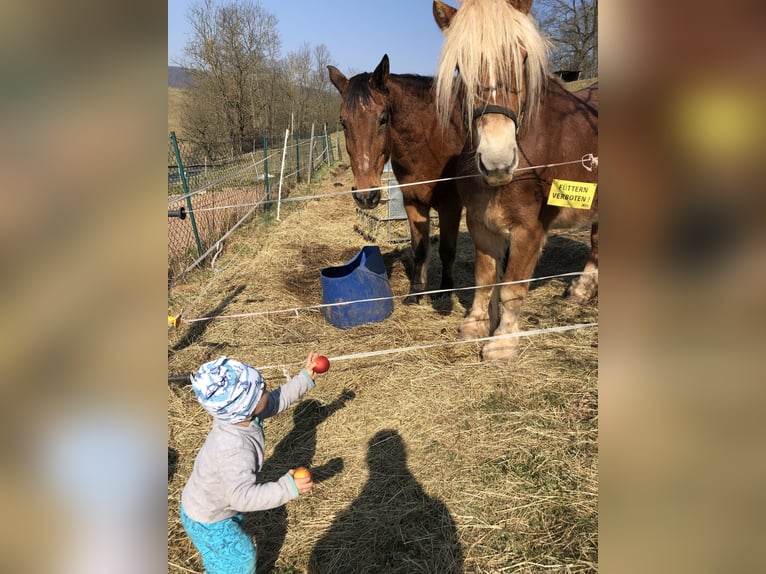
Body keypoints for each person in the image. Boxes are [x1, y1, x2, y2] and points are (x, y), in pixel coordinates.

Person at [180, 353, 323, 574]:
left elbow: (275, 401)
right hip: (209, 518)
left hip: (213, 504)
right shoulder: (234, 448)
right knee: (239, 560)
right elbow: (242, 497)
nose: (267, 387)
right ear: (246, 405)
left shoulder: (238, 415)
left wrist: (304, 377)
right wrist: (288, 487)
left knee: (223, 557)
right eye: (262, 389)